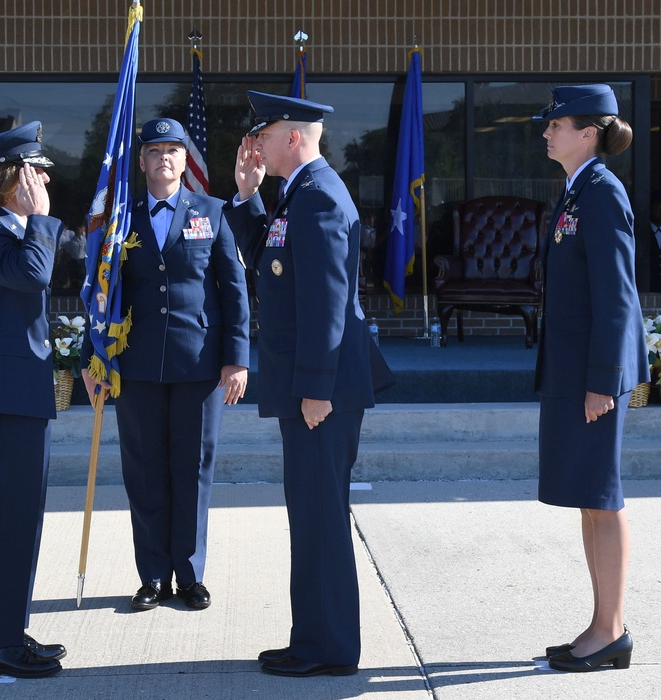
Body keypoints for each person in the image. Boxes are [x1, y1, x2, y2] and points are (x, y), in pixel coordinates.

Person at [225, 91, 378, 678]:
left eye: (263, 135)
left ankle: (331, 647)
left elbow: (326, 305)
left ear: (292, 138)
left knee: (320, 515)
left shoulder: (318, 199)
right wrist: (246, 198)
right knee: (310, 515)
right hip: (311, 385)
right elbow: (272, 261)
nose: (255, 145)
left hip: (322, 390)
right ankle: (311, 636)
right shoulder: (299, 195)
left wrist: (318, 389)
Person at [80, 117, 250, 613]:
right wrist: (95, 358)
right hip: (135, 367)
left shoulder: (213, 213)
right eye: (155, 150)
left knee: (193, 468)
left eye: (173, 149)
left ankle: (191, 574)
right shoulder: (120, 220)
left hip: (199, 364)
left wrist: (236, 358)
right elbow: (102, 294)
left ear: (184, 158)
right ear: (142, 161)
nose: (165, 158)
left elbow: (233, 291)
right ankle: (152, 575)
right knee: (144, 470)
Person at [531, 84, 648, 672]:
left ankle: (611, 632)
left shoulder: (602, 193)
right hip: (575, 372)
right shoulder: (579, 192)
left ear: (589, 132)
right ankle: (602, 625)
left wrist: (604, 378)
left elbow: (617, 296)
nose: (547, 132)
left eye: (557, 124)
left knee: (603, 498)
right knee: (589, 500)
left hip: (593, 377)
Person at [0, 121, 66, 678]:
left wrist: (39, 222)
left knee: (21, 522)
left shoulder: (15, 229)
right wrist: (40, 219)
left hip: (20, 396)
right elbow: (33, 273)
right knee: (6, 522)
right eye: (35, 170)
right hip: (2, 400)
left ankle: (6, 631)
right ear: (9, 180)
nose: (45, 178)